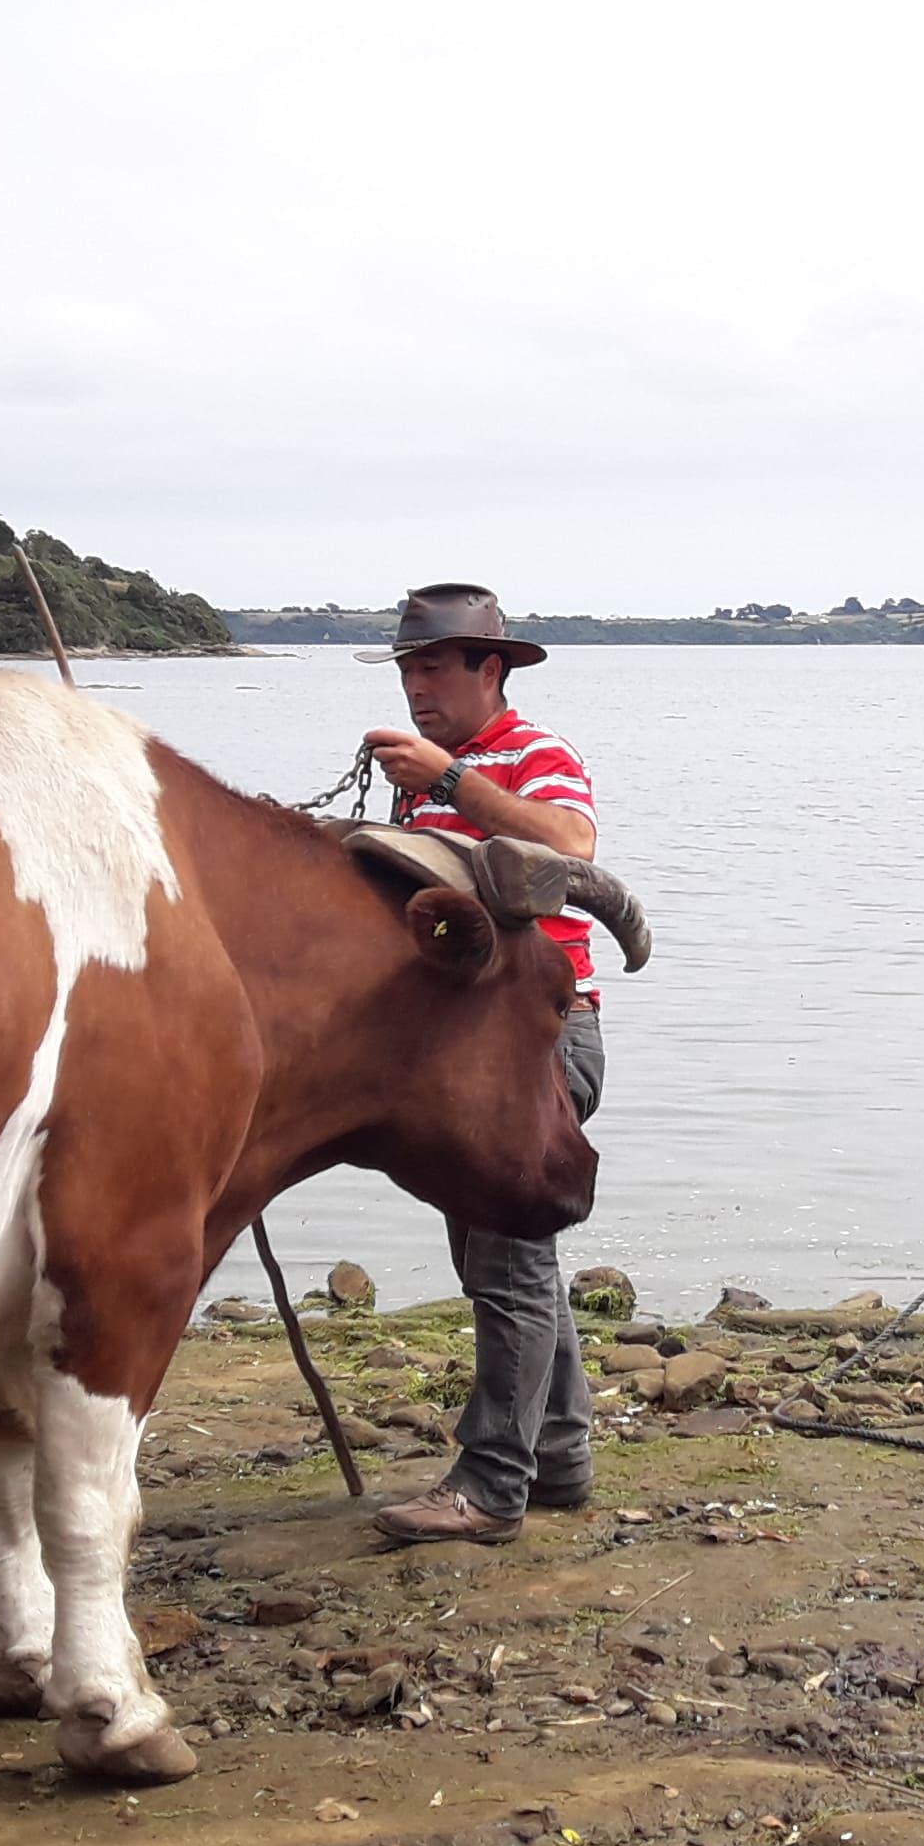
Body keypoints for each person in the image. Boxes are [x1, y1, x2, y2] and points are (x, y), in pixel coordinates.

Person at [353, 583, 607, 1547]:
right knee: (505, 1247)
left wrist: (453, 783)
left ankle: (493, 1485)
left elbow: (574, 847)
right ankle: (562, 1453)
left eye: (433, 668)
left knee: (506, 1251)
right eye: (408, 669)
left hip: (541, 1035)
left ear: (489, 670)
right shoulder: (419, 780)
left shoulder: (537, 755)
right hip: (461, 1042)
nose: (418, 687)